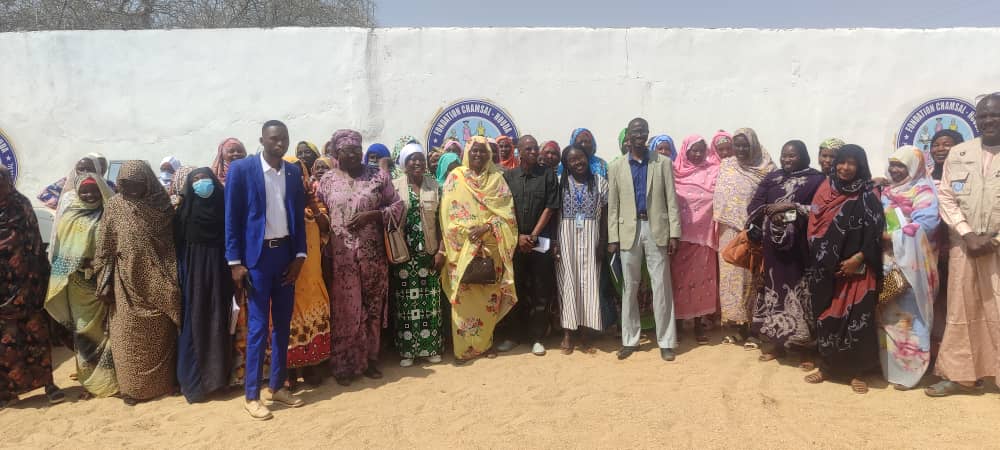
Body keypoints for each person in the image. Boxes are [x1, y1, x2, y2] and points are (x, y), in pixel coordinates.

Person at [224, 121, 307, 420]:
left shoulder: (293, 171)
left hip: (285, 256)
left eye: (284, 138)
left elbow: (297, 216)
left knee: (283, 324)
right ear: (262, 140)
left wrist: (299, 256)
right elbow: (232, 218)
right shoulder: (242, 170)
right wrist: (234, 262)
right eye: (274, 139)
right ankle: (251, 395)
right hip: (257, 260)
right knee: (258, 327)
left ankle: (278, 387)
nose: (279, 143)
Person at [926, 93, 1000, 397]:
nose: (987, 121)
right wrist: (968, 234)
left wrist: (993, 240)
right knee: (961, 311)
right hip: (965, 246)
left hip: (996, 246)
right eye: (982, 116)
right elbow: (946, 196)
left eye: (994, 115)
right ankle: (960, 376)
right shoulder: (959, 153)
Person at [317, 129, 403, 385]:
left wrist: (374, 216)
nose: (354, 154)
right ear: (336, 153)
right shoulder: (327, 180)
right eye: (347, 151)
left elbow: (398, 206)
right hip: (341, 258)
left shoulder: (379, 176)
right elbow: (320, 212)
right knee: (345, 309)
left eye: (357, 149)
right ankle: (345, 364)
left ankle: (371, 360)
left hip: (373, 254)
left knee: (373, 306)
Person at [94, 160, 182, 405]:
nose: (130, 189)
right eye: (125, 184)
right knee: (129, 336)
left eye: (136, 184)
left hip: (160, 280)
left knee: (163, 334)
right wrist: (104, 281)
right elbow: (104, 246)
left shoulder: (162, 207)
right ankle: (134, 389)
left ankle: (166, 383)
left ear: (148, 183)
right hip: (126, 282)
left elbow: (174, 243)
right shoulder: (114, 206)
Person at [805, 144, 884, 394]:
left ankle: (857, 372)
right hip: (827, 268)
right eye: (841, 162)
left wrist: (858, 259)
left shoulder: (869, 192)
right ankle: (827, 367)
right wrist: (825, 258)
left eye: (852, 163)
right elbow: (814, 223)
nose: (845, 168)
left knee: (856, 320)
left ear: (860, 165)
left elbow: (875, 232)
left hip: (859, 268)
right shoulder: (825, 188)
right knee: (828, 316)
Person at [608, 118, 682, 361]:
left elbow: (672, 201)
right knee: (630, 286)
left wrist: (674, 233)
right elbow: (614, 207)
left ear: (648, 135)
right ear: (628, 136)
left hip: (656, 229)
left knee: (661, 285)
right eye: (635, 131)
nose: (640, 135)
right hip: (628, 231)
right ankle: (630, 340)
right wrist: (613, 238)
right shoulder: (617, 166)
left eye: (644, 131)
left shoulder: (662, 163)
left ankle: (666, 341)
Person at [439, 135, 519, 363]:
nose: (479, 155)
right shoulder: (456, 178)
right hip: (462, 250)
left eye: (483, 151)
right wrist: (468, 232)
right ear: (467, 152)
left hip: (490, 249)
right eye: (474, 150)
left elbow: (508, 217)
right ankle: (463, 349)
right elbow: (447, 217)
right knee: (463, 301)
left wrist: (486, 227)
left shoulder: (497, 180)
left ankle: (485, 344)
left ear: (490, 154)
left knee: (488, 299)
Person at [746, 140, 825, 362]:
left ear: (803, 156)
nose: (787, 160)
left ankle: (806, 349)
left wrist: (792, 209)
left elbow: (821, 209)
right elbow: (754, 206)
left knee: (802, 293)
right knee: (774, 290)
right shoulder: (772, 177)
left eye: (793, 156)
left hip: (800, 248)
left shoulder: (817, 179)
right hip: (773, 248)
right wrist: (772, 214)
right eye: (784, 155)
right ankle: (777, 345)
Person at [44, 174, 117, 399]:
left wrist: (102, 264)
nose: (89, 194)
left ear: (101, 190)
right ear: (77, 192)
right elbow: (60, 253)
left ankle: (111, 382)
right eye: (84, 191)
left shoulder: (110, 212)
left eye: (94, 190)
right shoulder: (69, 216)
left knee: (110, 333)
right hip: (78, 285)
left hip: (107, 282)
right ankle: (90, 384)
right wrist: (81, 262)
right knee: (84, 333)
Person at [0, 165, 65, 408]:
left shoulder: (21, 205)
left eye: (1, 179)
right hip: (1, 294)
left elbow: (35, 244)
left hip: (27, 286)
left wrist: (38, 277)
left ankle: (48, 384)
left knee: (36, 336)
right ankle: (7, 393)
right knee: (6, 342)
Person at [878, 146, 940, 390]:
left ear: (913, 168)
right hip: (887, 264)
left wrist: (886, 236)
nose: (895, 170)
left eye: (901, 166)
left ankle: (914, 372)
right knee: (888, 316)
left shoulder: (923, 191)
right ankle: (892, 367)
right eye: (892, 164)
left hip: (914, 267)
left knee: (914, 318)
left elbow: (926, 225)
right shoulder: (885, 191)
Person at [174, 168, 235, 403]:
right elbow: (178, 245)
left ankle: (219, 380)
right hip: (196, 274)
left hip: (222, 270)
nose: (202, 183)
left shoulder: (225, 207)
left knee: (220, 321)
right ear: (190, 186)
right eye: (196, 180)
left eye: (205, 178)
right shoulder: (184, 213)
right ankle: (194, 384)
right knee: (196, 320)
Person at [713, 128, 775, 346]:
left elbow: (770, 198)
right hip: (727, 231)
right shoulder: (726, 165)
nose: (740, 149)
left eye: (744, 145)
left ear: (753, 144)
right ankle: (735, 326)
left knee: (749, 280)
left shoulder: (766, 168)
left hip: (752, 232)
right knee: (729, 280)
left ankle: (753, 330)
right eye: (736, 145)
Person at [500, 135, 560, 356]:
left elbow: (550, 207)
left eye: (536, 148)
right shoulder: (508, 177)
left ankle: (537, 337)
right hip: (515, 243)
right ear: (519, 151)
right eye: (529, 149)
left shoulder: (548, 176)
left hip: (539, 243)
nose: (534, 152)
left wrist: (532, 236)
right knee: (514, 289)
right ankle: (514, 336)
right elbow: (504, 208)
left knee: (540, 290)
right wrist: (517, 237)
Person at [391, 143, 445, 367]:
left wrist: (441, 250)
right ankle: (408, 351)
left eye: (420, 159)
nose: (417, 163)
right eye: (412, 159)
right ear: (404, 163)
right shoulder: (394, 187)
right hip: (404, 255)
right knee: (406, 304)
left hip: (429, 253)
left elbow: (442, 221)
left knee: (431, 303)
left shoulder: (435, 186)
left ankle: (430, 347)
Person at [281, 154, 332, 387]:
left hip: (312, 277)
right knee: (288, 322)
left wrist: (310, 202)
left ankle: (312, 366)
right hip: (287, 276)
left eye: (296, 170)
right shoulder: (276, 204)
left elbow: (325, 228)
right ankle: (290, 372)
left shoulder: (312, 202)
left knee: (314, 318)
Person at [555, 144, 608, 354]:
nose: (578, 163)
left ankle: (586, 333)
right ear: (566, 164)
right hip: (566, 236)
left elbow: (605, 215)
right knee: (568, 282)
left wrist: (602, 241)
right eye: (572, 160)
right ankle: (568, 333)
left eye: (581, 158)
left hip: (591, 237)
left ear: (587, 158)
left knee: (589, 283)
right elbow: (553, 214)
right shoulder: (561, 184)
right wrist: (555, 244)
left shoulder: (599, 183)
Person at [670, 135, 722, 345]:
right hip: (680, 238)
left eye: (702, 150)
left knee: (702, 282)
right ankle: (681, 324)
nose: (698, 154)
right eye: (694, 150)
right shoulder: (675, 172)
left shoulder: (714, 170)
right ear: (685, 151)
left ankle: (700, 324)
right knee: (679, 282)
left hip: (704, 239)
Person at [38, 154, 116, 210]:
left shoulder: (108, 185)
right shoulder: (68, 182)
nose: (85, 172)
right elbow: (43, 194)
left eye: (102, 166)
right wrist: (66, 205)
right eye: (81, 169)